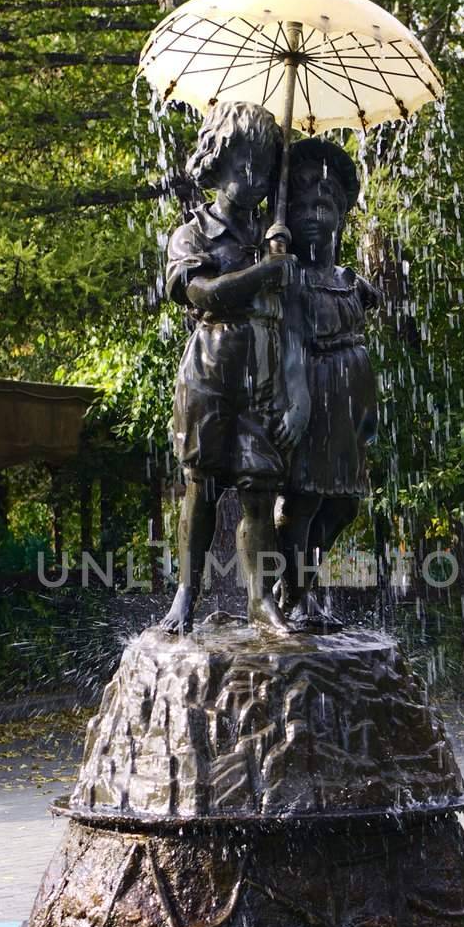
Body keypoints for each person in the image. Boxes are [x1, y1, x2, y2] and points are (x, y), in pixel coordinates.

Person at [159, 101, 308, 635]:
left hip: (263, 375)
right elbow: (203, 294)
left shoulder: (275, 236)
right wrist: (262, 274)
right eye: (246, 163)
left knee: (259, 491)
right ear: (215, 160)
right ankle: (185, 595)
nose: (256, 177)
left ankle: (260, 601)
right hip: (209, 375)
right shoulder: (191, 235)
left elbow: (293, 318)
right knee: (200, 488)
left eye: (266, 167)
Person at [276, 137, 380, 629]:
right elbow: (290, 340)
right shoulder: (289, 275)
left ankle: (296, 589)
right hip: (313, 393)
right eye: (302, 206)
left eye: (325, 204)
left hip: (353, 404)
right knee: (305, 498)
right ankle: (294, 596)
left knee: (345, 505)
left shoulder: (350, 280)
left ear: (341, 212)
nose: (315, 215)